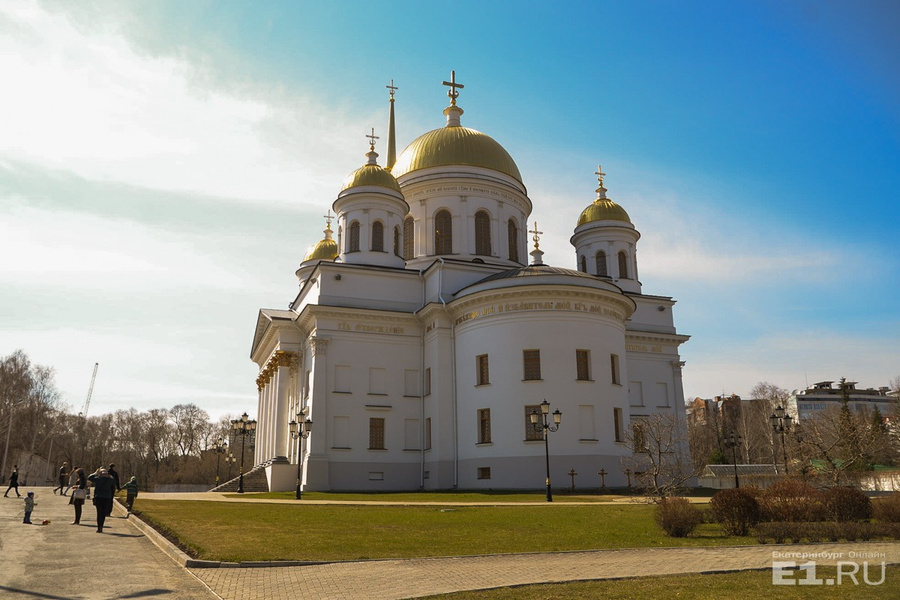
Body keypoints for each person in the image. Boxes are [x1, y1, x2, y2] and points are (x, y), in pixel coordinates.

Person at [87, 467, 116, 533]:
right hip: (107, 498)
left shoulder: (98, 479)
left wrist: (96, 473)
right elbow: (114, 481)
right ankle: (101, 526)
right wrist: (109, 475)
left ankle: (99, 527)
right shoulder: (110, 480)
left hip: (98, 497)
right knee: (103, 513)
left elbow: (89, 477)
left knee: (99, 513)